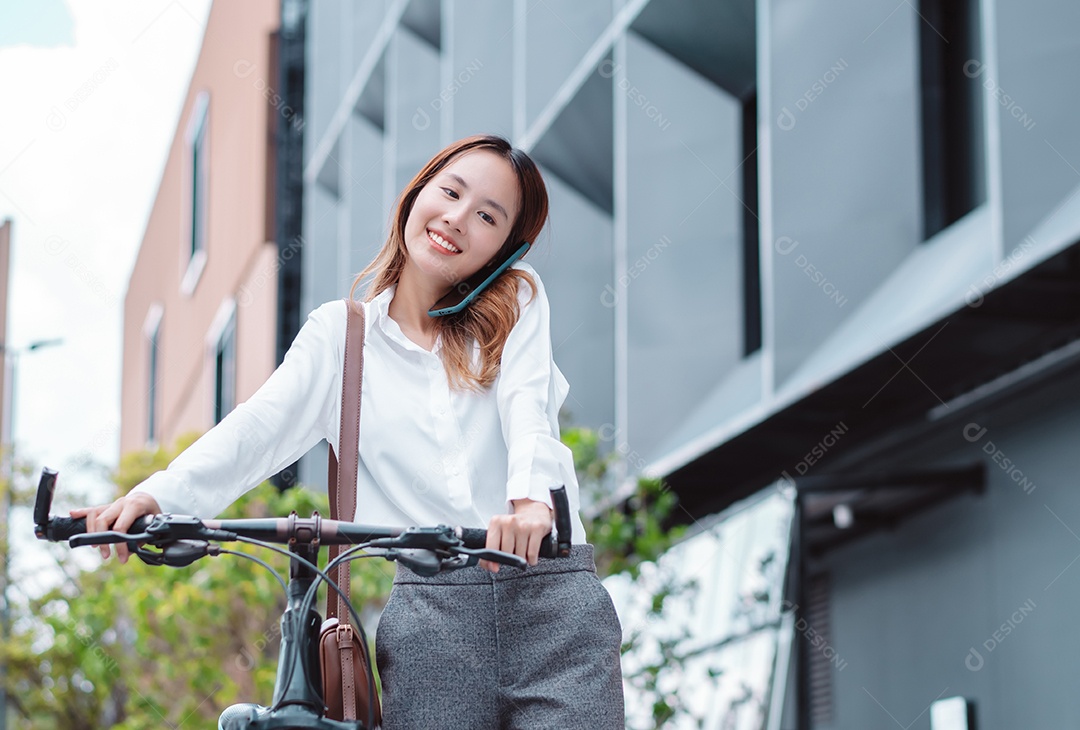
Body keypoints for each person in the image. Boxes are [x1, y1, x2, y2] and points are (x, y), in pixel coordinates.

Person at [72, 134, 625, 728]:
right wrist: (153, 499)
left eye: (487, 216)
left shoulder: (518, 299)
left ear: (505, 249)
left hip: (550, 597)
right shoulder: (340, 337)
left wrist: (530, 506)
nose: (458, 219)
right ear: (417, 194)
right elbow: (256, 429)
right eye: (451, 192)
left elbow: (528, 409)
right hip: (434, 615)